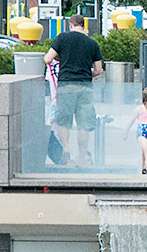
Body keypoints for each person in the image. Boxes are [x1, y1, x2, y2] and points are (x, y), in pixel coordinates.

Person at [43, 13, 104, 166]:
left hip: (66, 85)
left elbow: (48, 59)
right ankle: (82, 157)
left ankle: (65, 149)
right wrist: (85, 71)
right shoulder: (92, 43)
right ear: (83, 26)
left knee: (64, 122)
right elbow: (98, 70)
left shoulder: (62, 38)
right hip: (85, 87)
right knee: (84, 124)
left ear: (70, 25)